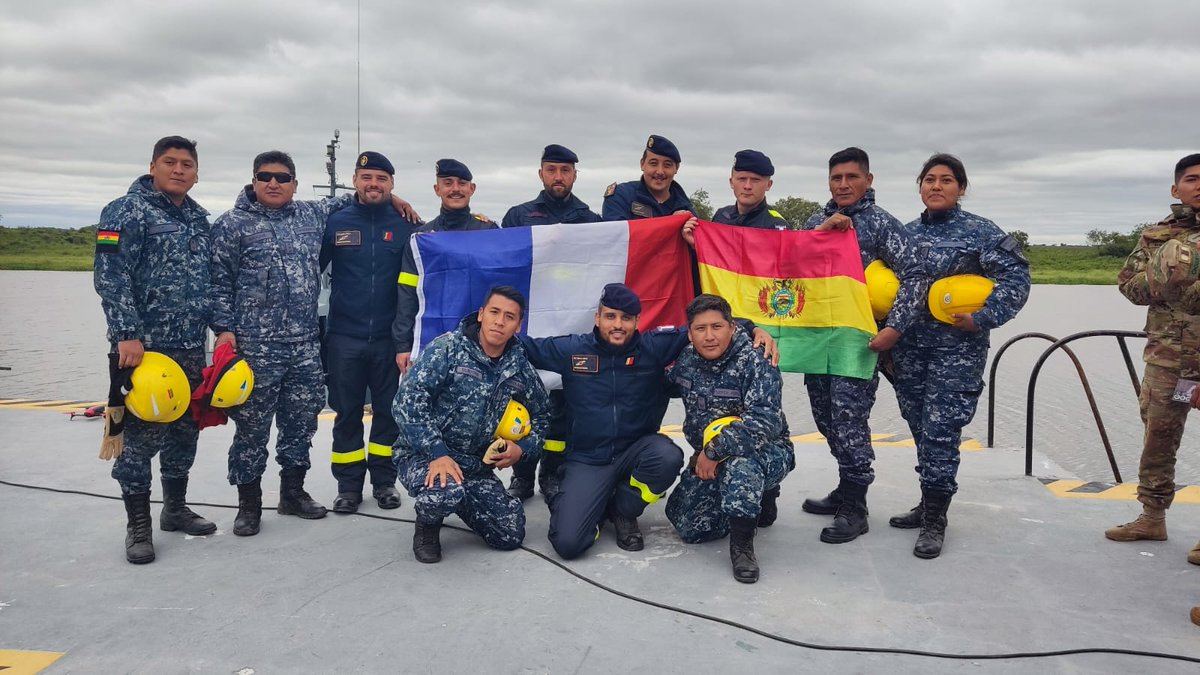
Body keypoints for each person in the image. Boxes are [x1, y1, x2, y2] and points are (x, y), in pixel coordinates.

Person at [210, 150, 414, 537]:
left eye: (282, 177)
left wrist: (395, 200)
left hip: (333, 342)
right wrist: (224, 329)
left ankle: (335, 488)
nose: (274, 183)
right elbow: (218, 282)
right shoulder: (238, 223)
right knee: (265, 427)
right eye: (265, 177)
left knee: (306, 423)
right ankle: (269, 501)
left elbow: (375, 202)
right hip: (280, 344)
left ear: (294, 183)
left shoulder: (320, 216)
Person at [518, 283, 778, 559]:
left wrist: (754, 329)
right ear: (597, 318)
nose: (618, 325)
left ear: (637, 321)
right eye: (610, 316)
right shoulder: (572, 349)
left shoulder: (654, 347)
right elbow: (524, 346)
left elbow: (709, 325)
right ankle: (595, 508)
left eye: (626, 318)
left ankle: (623, 511)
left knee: (667, 456)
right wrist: (486, 329)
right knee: (569, 544)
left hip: (638, 452)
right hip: (588, 458)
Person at [867, 153, 1030, 559]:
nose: (936, 186)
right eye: (929, 179)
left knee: (941, 431)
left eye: (946, 180)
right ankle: (928, 502)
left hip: (956, 352)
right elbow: (881, 285)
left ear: (961, 188)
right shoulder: (903, 234)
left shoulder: (980, 232)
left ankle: (935, 520)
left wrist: (984, 317)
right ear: (920, 186)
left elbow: (1016, 278)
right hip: (908, 351)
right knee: (920, 427)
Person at [94, 136, 214, 564]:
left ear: (196, 173)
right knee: (140, 438)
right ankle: (138, 525)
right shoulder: (125, 210)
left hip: (190, 346)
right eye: (170, 162)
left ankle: (175, 509)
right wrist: (126, 332)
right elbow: (110, 274)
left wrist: (221, 330)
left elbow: (210, 281)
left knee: (184, 432)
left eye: (186, 164)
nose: (178, 170)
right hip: (143, 350)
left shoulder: (199, 219)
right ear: (153, 166)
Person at [393, 286, 551, 563]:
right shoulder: (448, 349)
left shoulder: (519, 367)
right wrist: (436, 452)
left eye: (509, 317)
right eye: (494, 312)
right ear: (481, 314)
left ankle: (460, 498)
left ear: (518, 325)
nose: (499, 322)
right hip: (424, 455)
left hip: (475, 465)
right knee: (444, 490)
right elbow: (407, 402)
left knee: (509, 534)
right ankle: (428, 526)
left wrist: (522, 449)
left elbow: (543, 415)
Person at [796, 147, 905, 544]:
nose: (843, 184)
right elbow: (790, 265)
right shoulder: (814, 221)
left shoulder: (882, 225)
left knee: (849, 420)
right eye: (836, 178)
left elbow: (915, 276)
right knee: (825, 416)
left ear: (868, 180)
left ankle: (856, 506)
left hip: (858, 343)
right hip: (817, 339)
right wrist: (820, 233)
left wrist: (895, 328)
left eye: (851, 177)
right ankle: (845, 487)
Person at [1104, 153, 1200, 570]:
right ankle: (1152, 517)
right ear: (1176, 188)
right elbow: (1130, 288)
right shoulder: (1157, 236)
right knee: (1158, 438)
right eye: (1192, 179)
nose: (1199, 185)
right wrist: (1167, 270)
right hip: (1169, 359)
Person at [664, 295, 795, 583]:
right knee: (689, 527)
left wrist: (712, 452)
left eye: (717, 327)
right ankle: (749, 500)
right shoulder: (686, 360)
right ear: (690, 334)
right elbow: (662, 384)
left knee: (740, 468)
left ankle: (743, 545)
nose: (709, 336)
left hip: (765, 450)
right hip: (710, 454)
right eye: (700, 329)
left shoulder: (757, 358)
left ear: (732, 327)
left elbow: (764, 421)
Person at [501, 144, 601, 503]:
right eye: (552, 170)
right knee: (523, 404)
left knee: (564, 408)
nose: (559, 177)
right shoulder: (518, 216)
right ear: (541, 173)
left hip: (573, 325)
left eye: (565, 170)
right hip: (531, 325)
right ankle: (522, 475)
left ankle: (553, 474)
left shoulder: (592, 221)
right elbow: (503, 265)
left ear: (575, 175)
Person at [320, 151, 417, 514]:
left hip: (390, 339)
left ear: (392, 184)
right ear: (354, 181)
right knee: (346, 413)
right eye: (367, 177)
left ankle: (384, 482)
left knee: (388, 413)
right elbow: (313, 268)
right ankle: (348, 487)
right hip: (345, 336)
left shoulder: (407, 224)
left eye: (381, 178)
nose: (373, 184)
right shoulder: (335, 222)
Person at [393, 159, 498, 374]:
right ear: (437, 189)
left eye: (462, 183)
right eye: (448, 183)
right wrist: (403, 345)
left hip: (481, 341)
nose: (455, 189)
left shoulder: (489, 232)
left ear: (472, 189)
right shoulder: (420, 239)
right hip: (433, 339)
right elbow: (407, 292)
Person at [602, 135, 694, 221]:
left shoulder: (685, 209)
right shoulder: (621, 196)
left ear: (676, 168)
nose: (660, 171)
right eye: (653, 163)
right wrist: (672, 223)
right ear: (642, 164)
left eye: (667, 165)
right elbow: (617, 231)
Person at [709, 150, 791, 230]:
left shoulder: (775, 225)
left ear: (768, 185)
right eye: (742, 179)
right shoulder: (721, 217)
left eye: (755, 180)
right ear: (731, 182)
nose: (747, 186)